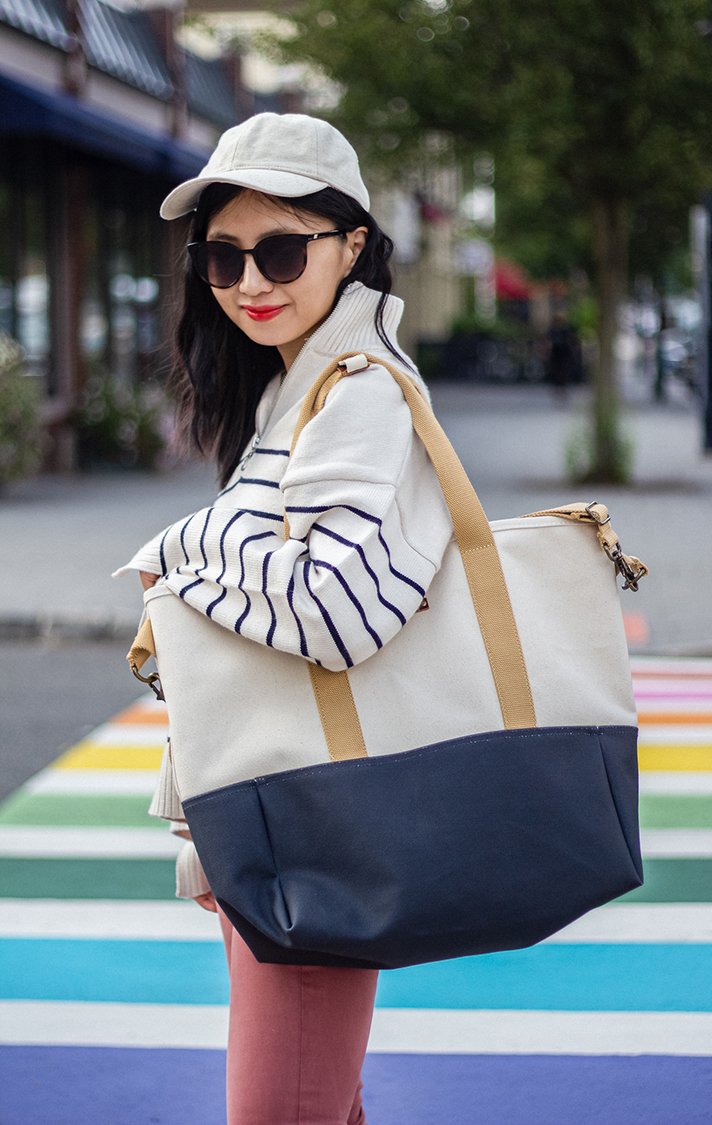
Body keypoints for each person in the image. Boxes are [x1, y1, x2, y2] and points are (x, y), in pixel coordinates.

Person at [115, 112, 453, 1125]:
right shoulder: (292, 387)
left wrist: (175, 554)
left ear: (352, 245)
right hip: (270, 818)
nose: (250, 281)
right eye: (223, 256)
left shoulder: (358, 394)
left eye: (280, 249)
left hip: (314, 828)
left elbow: (341, 609)